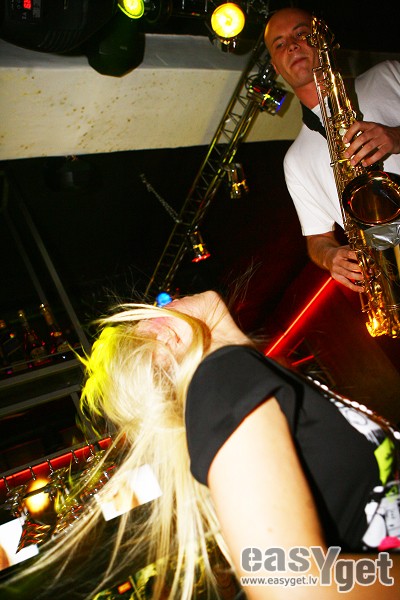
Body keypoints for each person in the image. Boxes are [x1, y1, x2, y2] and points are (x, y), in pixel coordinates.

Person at [2, 290, 399, 599]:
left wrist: (228, 338)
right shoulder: (219, 376)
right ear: (164, 334)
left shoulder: (241, 373)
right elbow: (291, 585)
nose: (168, 299)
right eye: (154, 308)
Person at [264, 7, 400, 292]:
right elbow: (317, 239)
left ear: (322, 41)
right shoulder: (295, 161)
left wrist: (396, 136)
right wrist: (330, 256)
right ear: (275, 66)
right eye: (279, 44)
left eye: (302, 34)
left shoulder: (389, 74)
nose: (292, 46)